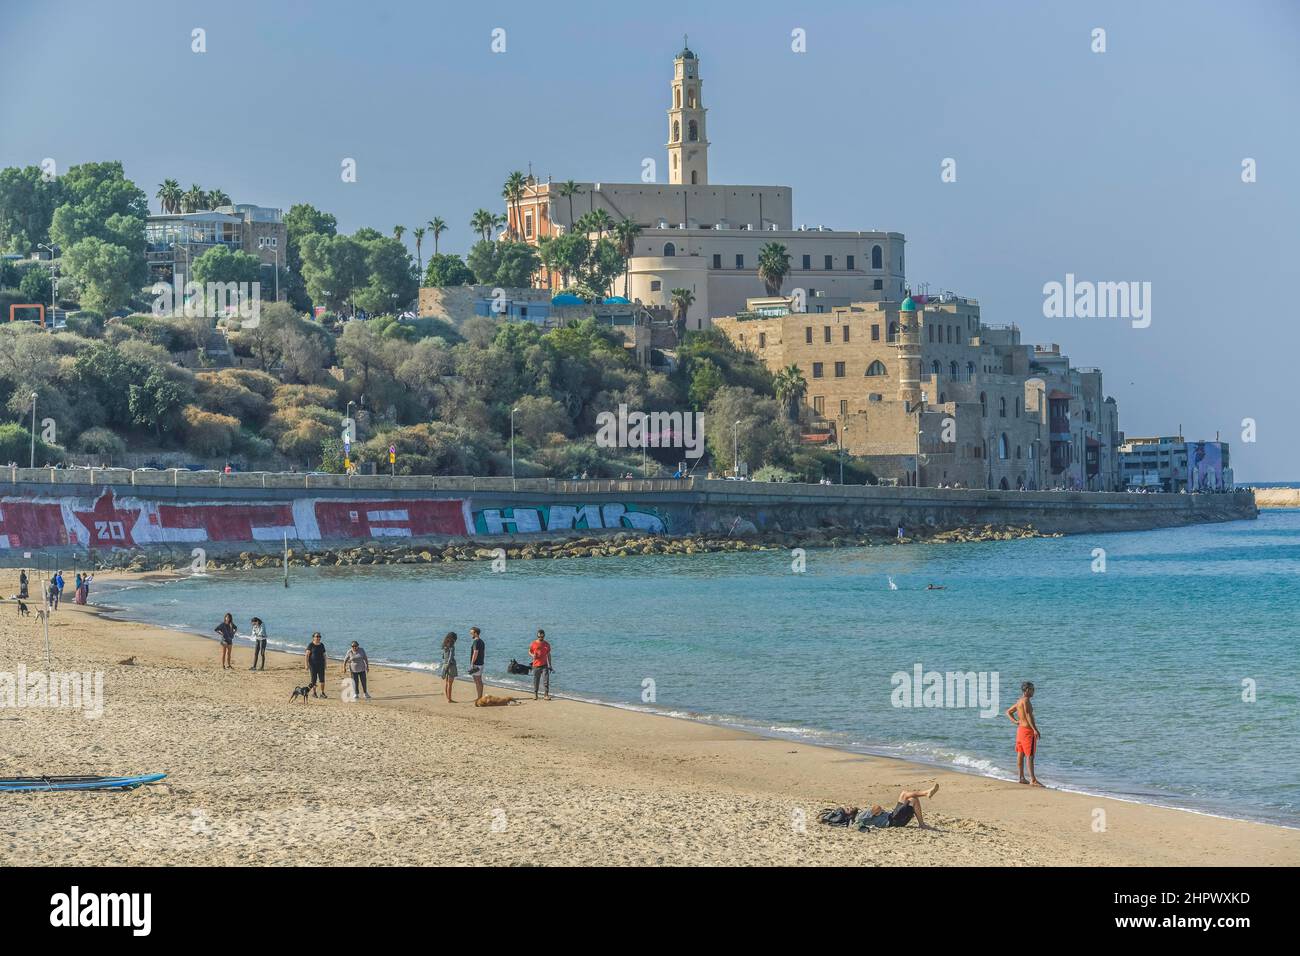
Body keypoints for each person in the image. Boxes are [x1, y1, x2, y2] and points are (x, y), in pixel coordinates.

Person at [854, 783, 940, 830]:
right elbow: (877, 808)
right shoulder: (859, 816)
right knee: (913, 799)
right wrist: (879, 811)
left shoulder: (861, 816)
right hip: (893, 821)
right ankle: (922, 824)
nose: (849, 807)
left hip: (892, 816)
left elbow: (875, 812)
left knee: (905, 794)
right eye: (847, 809)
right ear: (849, 814)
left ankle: (926, 793)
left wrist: (878, 812)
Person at [1006, 681, 1044, 787]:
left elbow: (1008, 712)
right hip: (1027, 731)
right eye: (1032, 689)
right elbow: (1028, 715)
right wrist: (1035, 729)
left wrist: (1015, 721)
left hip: (1020, 730)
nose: (1034, 691)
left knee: (1020, 754)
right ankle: (1033, 779)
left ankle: (1021, 777)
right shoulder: (1026, 701)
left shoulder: (1019, 701)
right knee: (1030, 756)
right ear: (1027, 690)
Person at [529, 629, 552, 701]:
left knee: (546, 680)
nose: (541, 638)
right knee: (536, 680)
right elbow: (529, 651)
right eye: (539, 637)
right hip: (536, 665)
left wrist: (550, 665)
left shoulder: (547, 644)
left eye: (542, 637)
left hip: (545, 665)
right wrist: (532, 656)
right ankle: (535, 695)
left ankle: (546, 695)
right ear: (537, 636)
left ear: (544, 636)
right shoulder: (533, 643)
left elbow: (548, 655)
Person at [305, 632, 328, 698]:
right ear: (313, 637)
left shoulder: (322, 645)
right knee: (313, 680)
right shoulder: (311, 645)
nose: (318, 638)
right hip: (313, 666)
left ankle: (322, 693)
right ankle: (314, 693)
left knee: (322, 680)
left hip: (321, 665)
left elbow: (324, 655)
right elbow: (307, 655)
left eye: (319, 636)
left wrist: (325, 664)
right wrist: (306, 665)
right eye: (317, 636)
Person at [439, 632, 458, 703]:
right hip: (451, 665)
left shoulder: (444, 645)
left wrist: (445, 665)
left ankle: (447, 697)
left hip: (444, 664)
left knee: (447, 683)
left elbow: (443, 656)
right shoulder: (452, 647)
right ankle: (449, 699)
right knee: (450, 683)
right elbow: (451, 657)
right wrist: (448, 665)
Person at [467, 626, 485, 701]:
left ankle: (479, 697)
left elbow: (475, 652)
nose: (470, 634)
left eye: (471, 633)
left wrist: (472, 663)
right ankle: (480, 696)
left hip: (477, 664)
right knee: (478, 680)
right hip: (481, 663)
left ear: (475, 633)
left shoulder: (476, 641)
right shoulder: (481, 641)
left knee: (477, 680)